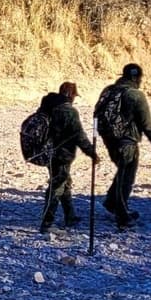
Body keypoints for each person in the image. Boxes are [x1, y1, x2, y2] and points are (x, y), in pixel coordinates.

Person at [95, 63, 151, 229]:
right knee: (127, 177)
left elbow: (97, 112)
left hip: (109, 138)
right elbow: (146, 123)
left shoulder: (108, 90)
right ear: (137, 78)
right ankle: (122, 216)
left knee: (122, 171)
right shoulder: (136, 95)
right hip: (127, 140)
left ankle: (111, 202)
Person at [40, 82, 99, 234]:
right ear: (70, 95)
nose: (74, 99)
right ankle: (47, 223)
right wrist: (91, 152)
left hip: (48, 152)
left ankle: (70, 216)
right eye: (74, 96)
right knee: (57, 187)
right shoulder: (68, 111)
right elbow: (79, 135)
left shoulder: (49, 106)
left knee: (64, 182)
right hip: (62, 154)